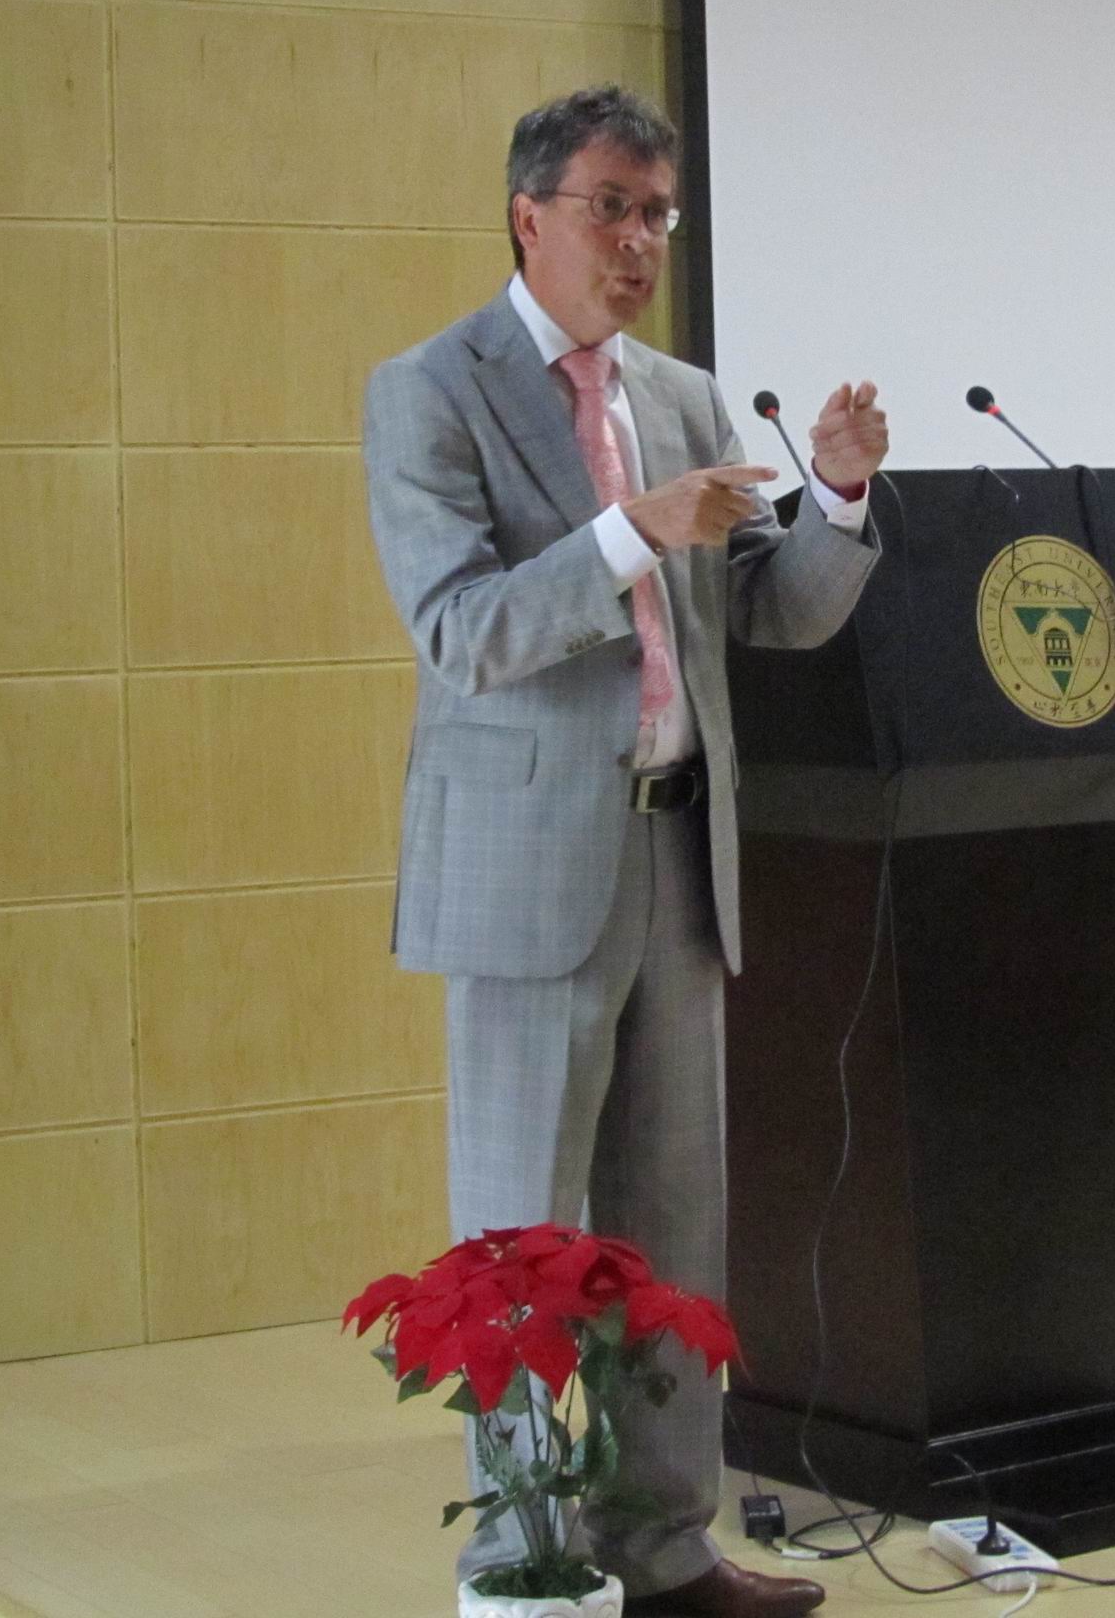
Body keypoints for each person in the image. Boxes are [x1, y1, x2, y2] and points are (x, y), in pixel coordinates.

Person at [364, 86, 886, 1617]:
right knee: (522, 1242)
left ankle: (664, 1549)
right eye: (613, 207)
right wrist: (630, 532)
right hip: (528, 872)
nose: (642, 240)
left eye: (659, 212)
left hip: (677, 859)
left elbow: (774, 610)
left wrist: (839, 495)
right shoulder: (431, 391)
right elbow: (465, 630)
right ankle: (526, 1557)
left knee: (673, 1238)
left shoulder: (685, 396)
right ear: (528, 214)